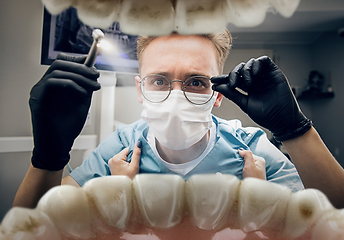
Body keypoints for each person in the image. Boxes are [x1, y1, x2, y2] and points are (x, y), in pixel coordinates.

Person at [13, 30, 344, 210]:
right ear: (141, 91)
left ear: (217, 94)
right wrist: (48, 157)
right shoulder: (121, 148)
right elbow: (32, 224)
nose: (175, 96)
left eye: (196, 82)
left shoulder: (250, 148)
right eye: (159, 81)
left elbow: (336, 216)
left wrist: (296, 130)